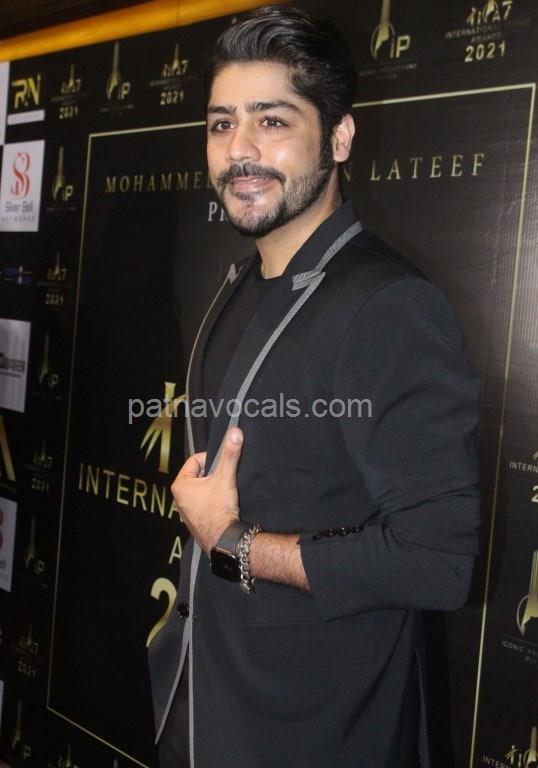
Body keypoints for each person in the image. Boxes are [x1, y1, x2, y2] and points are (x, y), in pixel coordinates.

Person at [148, 6, 481, 767]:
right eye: (222, 123)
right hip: (202, 708)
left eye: (272, 121)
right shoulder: (238, 283)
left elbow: (437, 562)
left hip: (318, 733)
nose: (239, 150)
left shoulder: (390, 306)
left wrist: (234, 543)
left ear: (339, 138)